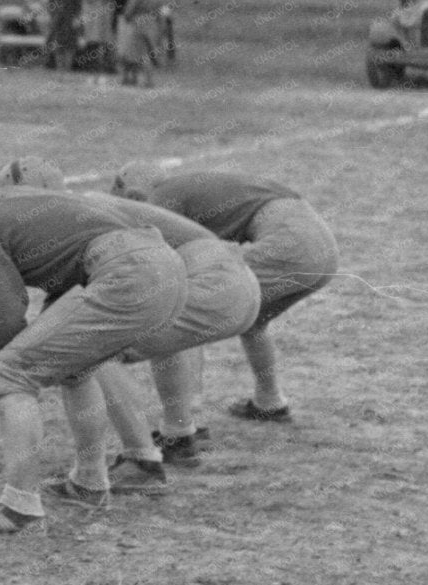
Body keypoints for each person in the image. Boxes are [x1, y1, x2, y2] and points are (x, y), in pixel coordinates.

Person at [0, 153, 187, 538]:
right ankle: (90, 483)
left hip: (128, 272)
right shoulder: (7, 203)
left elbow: (5, 314)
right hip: (162, 268)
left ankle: (19, 509)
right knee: (76, 368)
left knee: (7, 373)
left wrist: (5, 365)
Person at [0, 157, 261, 479]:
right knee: (153, 327)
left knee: (89, 348)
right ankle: (180, 435)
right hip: (236, 283)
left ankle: (141, 460)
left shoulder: (77, 214)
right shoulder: (85, 207)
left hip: (212, 281)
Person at [114, 162, 339, 424]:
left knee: (178, 310)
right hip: (323, 248)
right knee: (254, 320)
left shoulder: (161, 196)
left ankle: (183, 426)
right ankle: (269, 401)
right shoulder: (192, 186)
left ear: (133, 195)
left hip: (290, 244)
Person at [115, 0, 164, 88]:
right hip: (152, 24)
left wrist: (128, 19)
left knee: (134, 53)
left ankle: (132, 78)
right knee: (148, 52)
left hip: (139, 23)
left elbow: (128, 11)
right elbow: (160, 14)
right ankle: (148, 79)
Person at [44, 0, 83, 71]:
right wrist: (52, 14)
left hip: (70, 17)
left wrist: (77, 16)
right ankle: (59, 66)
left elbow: (78, 1)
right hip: (57, 17)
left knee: (70, 44)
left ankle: (68, 67)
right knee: (57, 42)